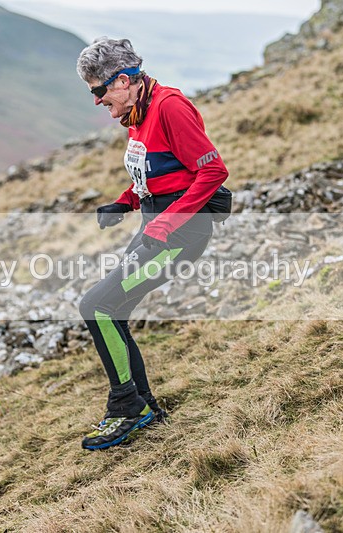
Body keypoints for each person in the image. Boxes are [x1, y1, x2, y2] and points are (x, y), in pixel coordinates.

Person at [76, 38, 232, 450]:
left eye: (99, 90)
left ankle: (126, 408)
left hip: (178, 237)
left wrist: (166, 225)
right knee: (113, 310)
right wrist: (125, 201)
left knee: (96, 306)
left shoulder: (169, 107)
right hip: (156, 230)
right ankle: (141, 406)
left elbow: (213, 171)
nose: (97, 101)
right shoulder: (140, 112)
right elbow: (157, 170)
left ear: (123, 81)